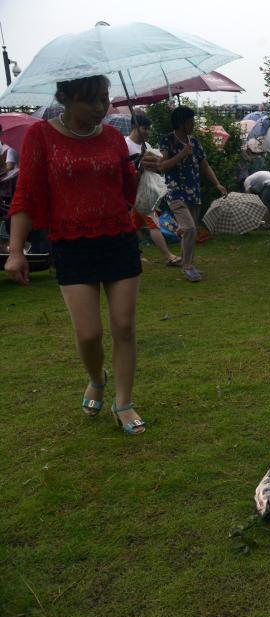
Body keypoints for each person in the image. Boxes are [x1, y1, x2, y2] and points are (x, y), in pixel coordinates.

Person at [4, 75, 160, 435]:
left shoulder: (112, 139)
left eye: (104, 98)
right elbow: (25, 195)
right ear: (66, 99)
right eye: (91, 100)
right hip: (71, 243)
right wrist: (15, 251)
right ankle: (97, 377)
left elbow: (127, 192)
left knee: (123, 326)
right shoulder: (40, 137)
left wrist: (143, 170)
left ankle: (124, 401)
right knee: (89, 333)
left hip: (118, 238)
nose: (101, 107)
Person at [159, 106, 227, 282]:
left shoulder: (194, 142)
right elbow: (162, 166)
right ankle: (187, 267)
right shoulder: (167, 141)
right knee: (189, 228)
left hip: (193, 192)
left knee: (191, 230)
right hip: (175, 192)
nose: (193, 124)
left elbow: (204, 165)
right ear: (181, 123)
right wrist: (182, 154)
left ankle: (187, 263)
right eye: (191, 121)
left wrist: (217, 184)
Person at [125, 113, 182, 267]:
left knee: (130, 227)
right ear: (135, 126)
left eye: (149, 129)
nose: (147, 132)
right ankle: (169, 255)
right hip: (134, 193)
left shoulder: (147, 146)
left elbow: (157, 167)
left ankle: (130, 254)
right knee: (153, 223)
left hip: (146, 192)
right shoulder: (125, 145)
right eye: (145, 128)